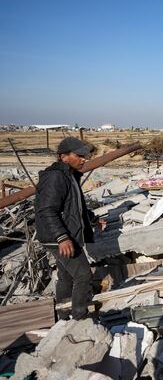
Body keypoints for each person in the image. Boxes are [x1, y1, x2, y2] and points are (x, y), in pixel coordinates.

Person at [35, 137, 106, 320]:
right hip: (58, 237)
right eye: (79, 155)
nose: (84, 159)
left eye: (85, 156)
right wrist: (62, 237)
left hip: (65, 234)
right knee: (83, 275)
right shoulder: (55, 177)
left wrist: (93, 220)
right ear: (63, 156)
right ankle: (79, 318)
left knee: (66, 276)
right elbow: (46, 210)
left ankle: (64, 315)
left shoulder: (70, 175)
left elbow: (76, 206)